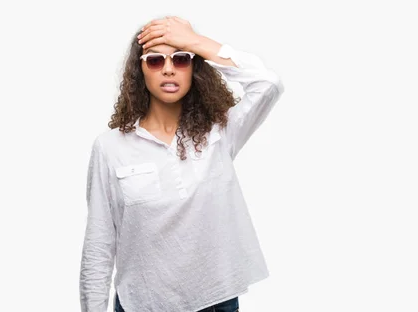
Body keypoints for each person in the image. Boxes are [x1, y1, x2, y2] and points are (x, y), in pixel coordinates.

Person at [79, 16, 284, 312]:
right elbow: (99, 244)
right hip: (143, 305)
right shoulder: (111, 147)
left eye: (181, 59)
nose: (168, 68)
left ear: (195, 67)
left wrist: (196, 42)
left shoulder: (220, 132)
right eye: (154, 61)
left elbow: (268, 84)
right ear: (140, 71)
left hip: (216, 302)